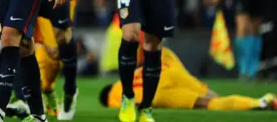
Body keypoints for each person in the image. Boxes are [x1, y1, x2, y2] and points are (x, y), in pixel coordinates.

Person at [99, 48, 277, 111]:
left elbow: (130, 104)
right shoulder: (125, 78)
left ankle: (260, 102)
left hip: (159, 93)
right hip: (169, 70)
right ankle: (252, 102)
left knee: (210, 104)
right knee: (214, 96)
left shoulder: (113, 95)